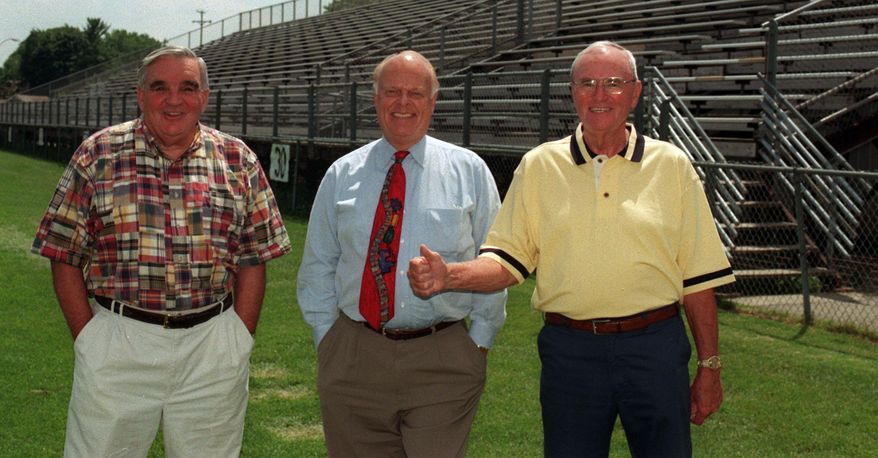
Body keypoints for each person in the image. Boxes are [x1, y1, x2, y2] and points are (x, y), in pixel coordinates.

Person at [408, 41, 735, 457]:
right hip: (571, 353)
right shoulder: (540, 165)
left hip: (655, 348)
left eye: (613, 84)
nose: (600, 95)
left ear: (635, 93)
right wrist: (449, 276)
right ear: (572, 92)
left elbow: (699, 277)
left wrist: (709, 367)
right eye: (588, 83)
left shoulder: (672, 165)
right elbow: (508, 260)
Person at [32, 46, 291, 457]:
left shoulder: (237, 159)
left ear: (204, 97)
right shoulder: (98, 154)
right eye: (160, 87)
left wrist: (238, 337)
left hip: (211, 346)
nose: (174, 100)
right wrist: (90, 338)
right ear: (140, 95)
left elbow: (253, 257)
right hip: (119, 342)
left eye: (187, 88)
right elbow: (62, 251)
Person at [296, 50, 506, 457]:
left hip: (442, 356)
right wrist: (329, 341)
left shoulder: (470, 171)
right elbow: (319, 264)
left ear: (433, 100)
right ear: (375, 98)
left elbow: (495, 261)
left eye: (416, 92)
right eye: (392, 91)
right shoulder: (342, 174)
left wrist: (478, 341)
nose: (403, 103)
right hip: (355, 354)